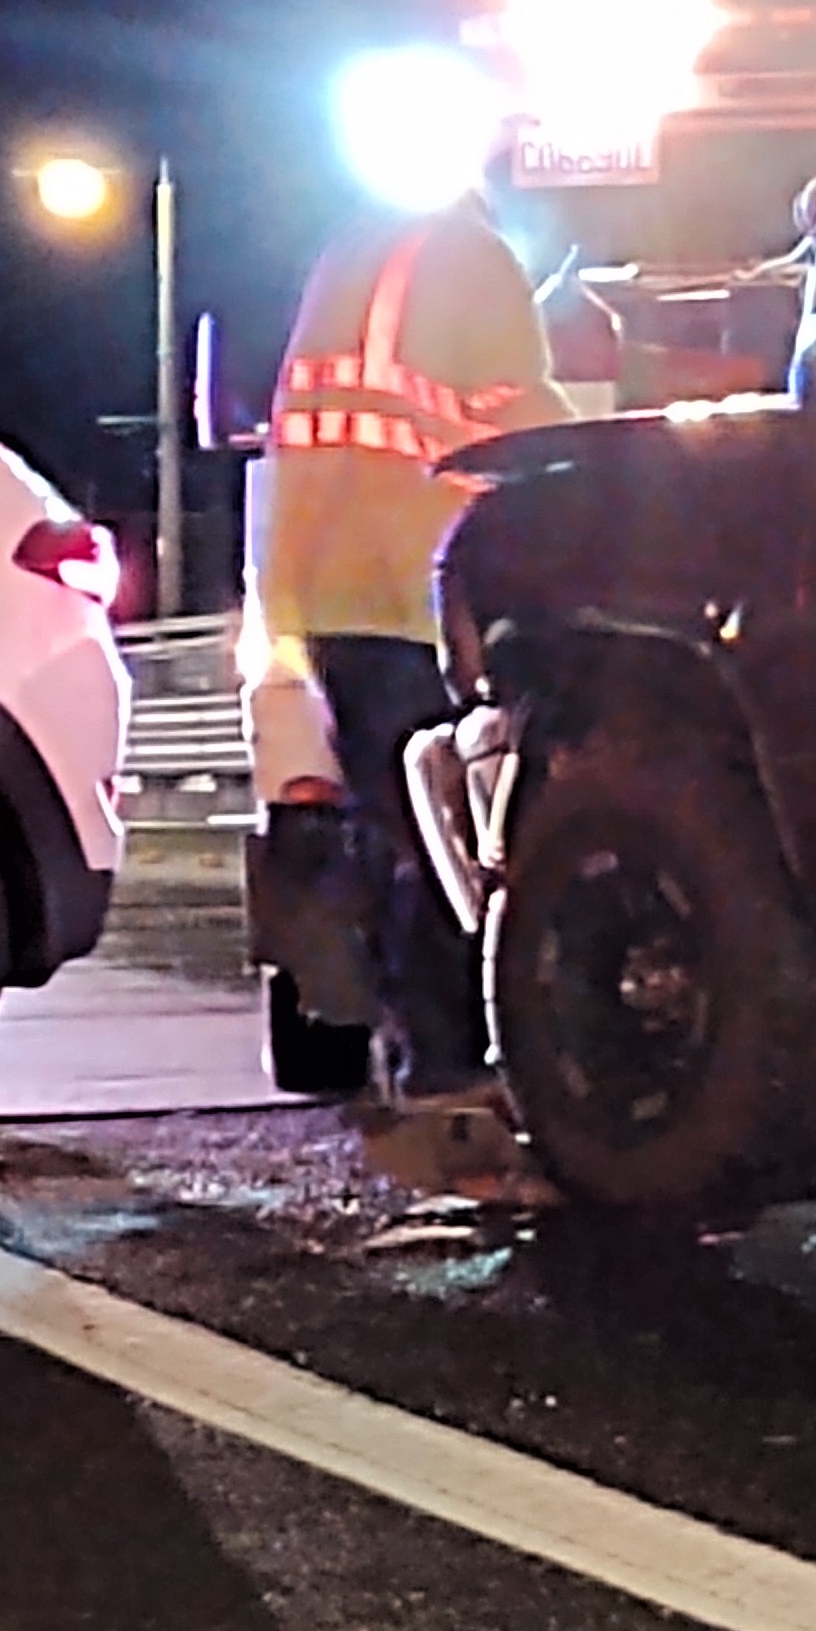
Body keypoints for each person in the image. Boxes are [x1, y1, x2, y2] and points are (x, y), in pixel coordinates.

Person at [259, 193, 571, 1196]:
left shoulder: (344, 252)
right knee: (447, 841)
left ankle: (413, 1051)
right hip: (418, 587)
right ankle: (449, 1067)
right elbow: (524, 420)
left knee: (392, 833)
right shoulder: (477, 258)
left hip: (323, 589)